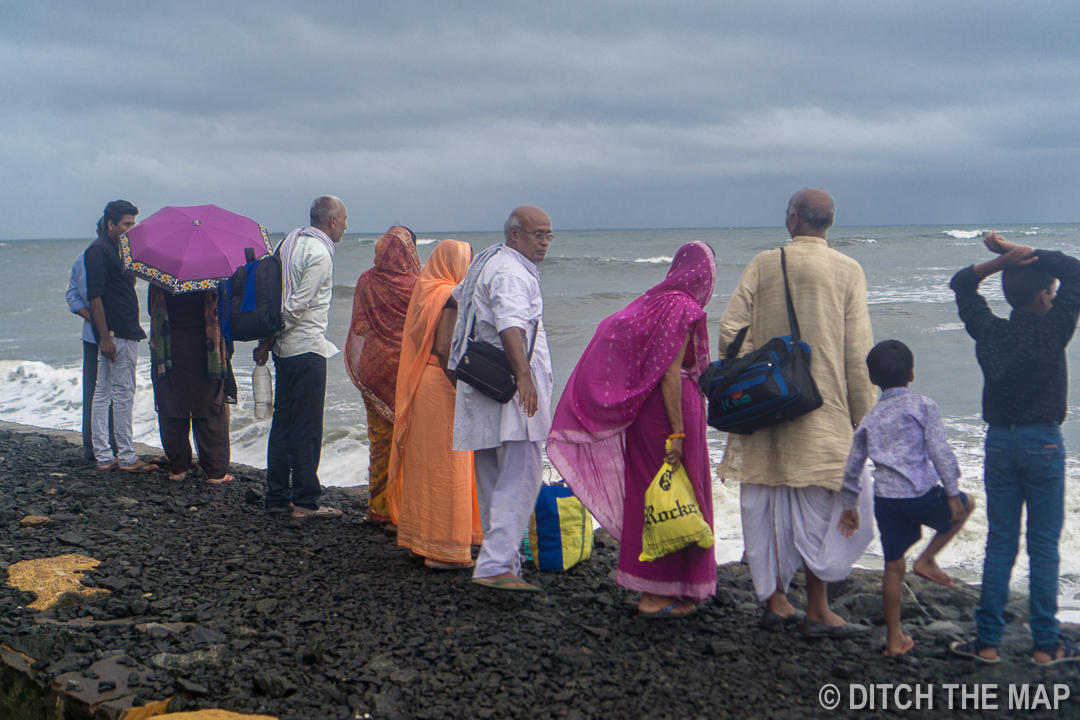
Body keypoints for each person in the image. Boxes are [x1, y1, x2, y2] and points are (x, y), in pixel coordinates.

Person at [716, 188, 875, 637]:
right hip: (823, 412)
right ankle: (819, 607)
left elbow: (730, 330)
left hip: (764, 408)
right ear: (829, 223)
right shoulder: (849, 270)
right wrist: (865, 417)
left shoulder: (765, 263)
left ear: (792, 219)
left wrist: (753, 373)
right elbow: (858, 352)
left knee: (764, 502)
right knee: (824, 505)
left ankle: (775, 600)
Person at [549, 242, 717, 616]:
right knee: (685, 495)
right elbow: (670, 374)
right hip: (673, 414)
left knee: (652, 496)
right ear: (703, 275)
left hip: (644, 416)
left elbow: (615, 335)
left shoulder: (652, 303)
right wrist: (677, 433)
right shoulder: (685, 308)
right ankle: (665, 592)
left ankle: (654, 586)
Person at [948, 232, 1080, 665]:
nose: (1055, 294)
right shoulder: (1054, 329)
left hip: (1000, 443)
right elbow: (1076, 270)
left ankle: (987, 643)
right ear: (1045, 295)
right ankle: (1045, 645)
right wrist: (1023, 252)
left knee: (1001, 544)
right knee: (1043, 547)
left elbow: (961, 284)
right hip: (1043, 443)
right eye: (1053, 291)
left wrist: (1000, 262)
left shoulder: (990, 331)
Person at [838, 340, 974, 656]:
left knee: (893, 568)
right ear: (912, 373)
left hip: (887, 501)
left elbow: (852, 465)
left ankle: (894, 639)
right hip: (919, 493)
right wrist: (952, 493)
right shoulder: (924, 405)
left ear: (873, 380)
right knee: (969, 505)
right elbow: (939, 450)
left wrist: (850, 505)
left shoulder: (870, 418)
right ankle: (927, 559)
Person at [448, 206, 554, 592]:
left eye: (548, 235)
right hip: (511, 386)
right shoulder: (509, 270)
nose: (543, 242)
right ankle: (496, 564)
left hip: (486, 383)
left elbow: (454, 306)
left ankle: (501, 561)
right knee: (523, 472)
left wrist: (450, 362)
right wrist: (525, 378)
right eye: (537, 234)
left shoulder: (487, 262)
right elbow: (511, 324)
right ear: (514, 234)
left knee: (493, 475)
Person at [386, 239, 483, 569]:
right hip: (443, 384)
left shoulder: (425, 290)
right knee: (451, 465)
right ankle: (446, 550)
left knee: (425, 466)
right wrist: (461, 386)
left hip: (424, 383)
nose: (468, 268)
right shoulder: (449, 294)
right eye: (466, 261)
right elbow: (445, 349)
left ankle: (420, 540)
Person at [254, 196, 348, 521]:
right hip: (306, 348)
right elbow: (297, 305)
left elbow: (274, 293)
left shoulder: (288, 243)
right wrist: (281, 330)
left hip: (282, 350)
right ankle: (306, 502)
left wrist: (268, 339)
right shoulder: (320, 253)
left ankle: (276, 495)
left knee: (283, 423)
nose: (347, 226)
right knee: (307, 428)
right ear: (332, 220)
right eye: (345, 220)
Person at [344, 226, 421, 524]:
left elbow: (360, 328)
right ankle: (404, 506)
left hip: (374, 369)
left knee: (379, 439)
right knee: (406, 438)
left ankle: (378, 508)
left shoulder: (366, 280)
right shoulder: (417, 285)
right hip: (405, 370)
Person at [84, 199, 158, 474]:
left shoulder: (115, 248)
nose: (130, 229)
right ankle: (127, 457)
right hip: (117, 331)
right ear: (110, 224)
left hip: (119, 328)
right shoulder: (98, 250)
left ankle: (104, 455)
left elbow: (122, 285)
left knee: (104, 392)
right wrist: (104, 336)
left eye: (133, 224)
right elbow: (94, 295)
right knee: (123, 393)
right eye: (126, 224)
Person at [149, 286, 236, 484]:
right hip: (205, 348)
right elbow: (224, 310)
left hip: (169, 346)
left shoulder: (161, 274)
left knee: (171, 403)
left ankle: (178, 469)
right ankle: (216, 472)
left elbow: (152, 310)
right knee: (210, 406)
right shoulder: (209, 274)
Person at [67, 252, 115, 462]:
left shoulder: (82, 258)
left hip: (93, 333)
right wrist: (98, 321)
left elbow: (72, 296)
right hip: (102, 335)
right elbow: (76, 296)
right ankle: (104, 446)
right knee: (107, 391)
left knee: (97, 390)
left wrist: (93, 319)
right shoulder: (91, 258)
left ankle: (96, 445)